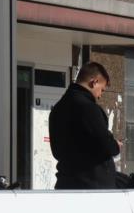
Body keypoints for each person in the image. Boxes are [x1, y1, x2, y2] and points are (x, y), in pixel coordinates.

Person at [48, 62, 122, 190]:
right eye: (101, 90)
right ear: (94, 82)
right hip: (91, 186)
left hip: (66, 182)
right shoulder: (88, 108)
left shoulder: (57, 109)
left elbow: (57, 152)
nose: (100, 96)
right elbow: (105, 144)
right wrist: (115, 145)